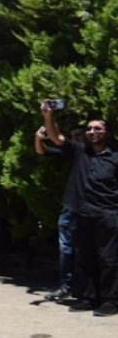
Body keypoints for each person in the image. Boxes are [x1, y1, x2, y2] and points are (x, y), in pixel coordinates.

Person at [40, 103, 118, 316]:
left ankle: (111, 301)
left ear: (106, 132)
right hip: (83, 213)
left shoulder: (115, 156)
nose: (92, 132)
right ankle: (88, 298)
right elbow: (56, 138)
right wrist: (48, 116)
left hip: (109, 214)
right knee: (84, 258)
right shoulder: (80, 150)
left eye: (97, 128)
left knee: (108, 259)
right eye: (89, 129)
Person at [34, 126, 84, 301]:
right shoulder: (74, 152)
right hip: (70, 206)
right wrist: (38, 138)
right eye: (73, 135)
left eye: (79, 134)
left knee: (88, 249)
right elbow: (42, 151)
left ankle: (86, 288)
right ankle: (65, 286)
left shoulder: (94, 153)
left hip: (90, 208)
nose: (76, 138)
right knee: (66, 247)